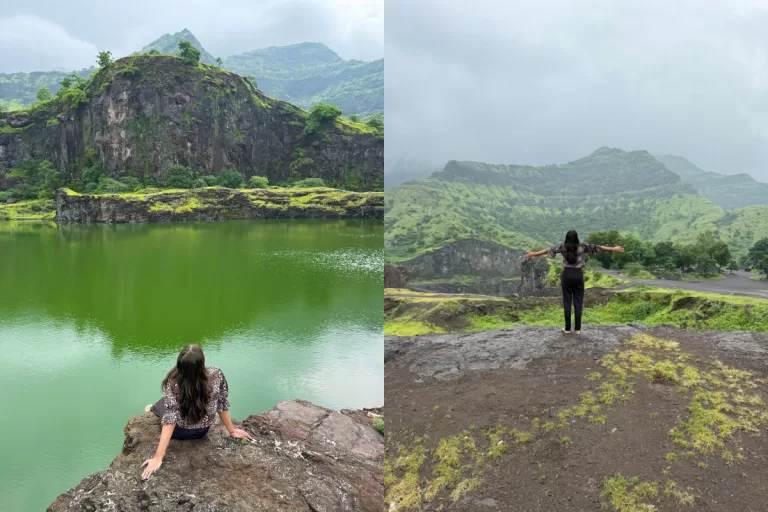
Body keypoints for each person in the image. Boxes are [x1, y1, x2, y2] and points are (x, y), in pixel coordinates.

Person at [140, 344, 253, 480]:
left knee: (164, 403)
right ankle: (154, 409)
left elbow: (170, 421)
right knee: (169, 403)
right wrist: (232, 431)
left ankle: (151, 410)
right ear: (202, 362)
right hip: (203, 431)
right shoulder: (217, 374)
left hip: (179, 432)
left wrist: (158, 458)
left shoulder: (174, 381)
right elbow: (221, 404)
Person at [524, 230, 624, 334]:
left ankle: (567, 329)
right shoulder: (582, 246)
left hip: (567, 275)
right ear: (577, 238)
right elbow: (598, 247)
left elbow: (547, 250)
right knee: (578, 302)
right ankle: (577, 329)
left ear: (566, 238)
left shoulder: (562, 247)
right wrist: (613, 248)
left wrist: (534, 254)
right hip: (578, 275)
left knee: (567, 302)